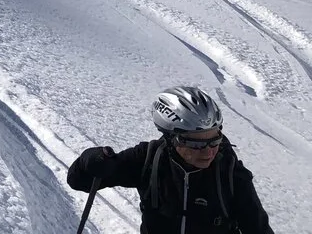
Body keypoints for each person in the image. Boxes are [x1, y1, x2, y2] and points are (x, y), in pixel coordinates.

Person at [67, 86, 273, 234]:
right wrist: (89, 162)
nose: (208, 151)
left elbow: (258, 228)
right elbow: (80, 182)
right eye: (196, 143)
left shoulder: (229, 173)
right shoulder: (148, 159)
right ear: (171, 137)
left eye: (214, 140)